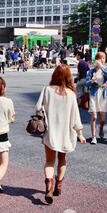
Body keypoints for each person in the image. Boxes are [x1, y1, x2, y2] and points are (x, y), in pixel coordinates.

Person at [35, 65, 86, 204]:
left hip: (50, 132)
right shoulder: (70, 94)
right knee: (62, 160)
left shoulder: (47, 90)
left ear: (54, 75)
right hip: (66, 132)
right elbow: (76, 117)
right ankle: (58, 185)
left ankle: (49, 187)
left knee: (49, 161)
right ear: (68, 77)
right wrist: (80, 133)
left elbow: (38, 108)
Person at [86, 52, 107, 145]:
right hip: (93, 94)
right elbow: (87, 84)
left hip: (103, 94)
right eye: (101, 58)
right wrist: (91, 81)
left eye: (104, 58)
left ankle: (101, 128)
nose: (103, 59)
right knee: (94, 116)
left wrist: (101, 66)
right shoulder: (90, 71)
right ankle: (94, 137)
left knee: (103, 119)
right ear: (96, 59)